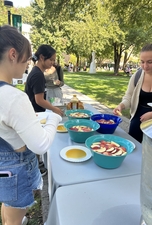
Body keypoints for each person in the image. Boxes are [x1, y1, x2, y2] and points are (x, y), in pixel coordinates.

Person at [0, 25, 62, 225]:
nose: (28, 63)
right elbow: (41, 145)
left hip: (5, 169)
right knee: (12, 220)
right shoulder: (12, 97)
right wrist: (53, 117)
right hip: (16, 170)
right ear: (12, 54)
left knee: (9, 206)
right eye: (26, 58)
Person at [113, 43, 152, 143]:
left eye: (150, 62)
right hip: (137, 120)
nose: (145, 66)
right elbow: (129, 96)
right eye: (142, 62)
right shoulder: (137, 75)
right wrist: (121, 106)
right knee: (134, 148)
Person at [25, 45, 63, 176]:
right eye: (51, 60)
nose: (53, 63)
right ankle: (35, 169)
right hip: (36, 112)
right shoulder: (37, 75)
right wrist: (55, 109)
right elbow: (39, 100)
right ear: (42, 58)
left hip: (36, 111)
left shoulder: (38, 72)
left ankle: (37, 163)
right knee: (37, 141)